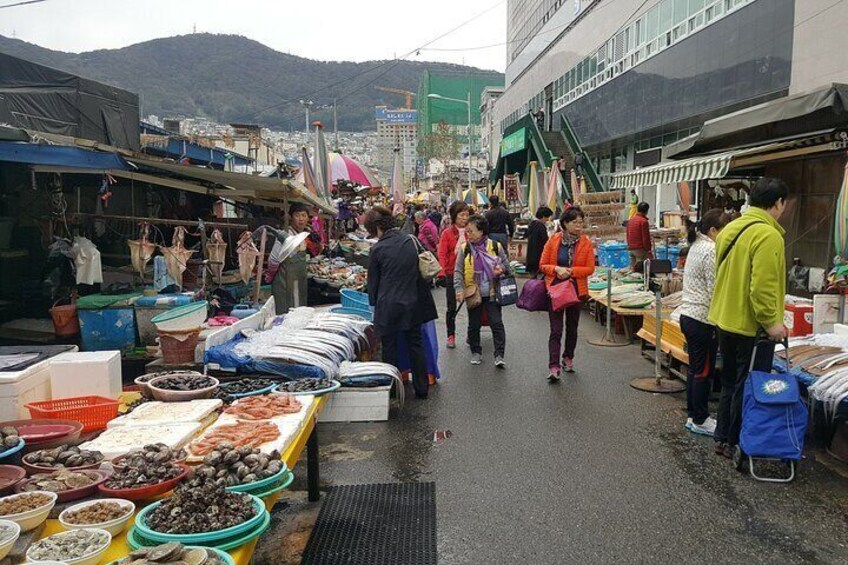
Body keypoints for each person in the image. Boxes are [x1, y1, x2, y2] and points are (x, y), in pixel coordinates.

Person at [709, 177, 788, 459]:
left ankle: (722, 438)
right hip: (749, 326)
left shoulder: (731, 228)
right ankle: (736, 441)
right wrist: (772, 323)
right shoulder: (768, 235)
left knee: (730, 382)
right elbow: (762, 288)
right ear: (778, 203)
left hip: (724, 318)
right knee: (748, 385)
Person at [365, 206, 438, 399]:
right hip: (414, 303)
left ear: (376, 228)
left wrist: (373, 307)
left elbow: (372, 284)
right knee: (415, 344)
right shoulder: (410, 241)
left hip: (388, 306)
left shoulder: (377, 249)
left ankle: (394, 391)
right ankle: (422, 389)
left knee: (390, 348)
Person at [677, 209, 731, 437]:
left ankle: (693, 415)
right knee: (703, 371)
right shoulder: (710, 249)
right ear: (713, 230)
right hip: (701, 318)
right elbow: (714, 288)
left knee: (696, 369)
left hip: (689, 315)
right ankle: (700, 418)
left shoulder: (697, 246)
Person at [539, 207, 595, 381]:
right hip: (555, 289)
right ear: (565, 223)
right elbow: (543, 264)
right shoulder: (554, 240)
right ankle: (553, 366)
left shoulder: (585, 242)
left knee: (572, 327)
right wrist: (556, 269)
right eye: (574, 222)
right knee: (556, 330)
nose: (578, 226)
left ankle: (568, 357)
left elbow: (589, 268)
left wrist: (570, 271)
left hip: (576, 290)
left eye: (580, 222)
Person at [454, 214, 510, 367]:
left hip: (492, 292)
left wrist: (501, 269)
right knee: (474, 324)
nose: (468, 234)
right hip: (473, 292)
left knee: (496, 323)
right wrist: (459, 288)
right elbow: (458, 270)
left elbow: (506, 265)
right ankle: (476, 351)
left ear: (481, 231)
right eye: (467, 231)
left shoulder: (494, 246)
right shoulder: (465, 248)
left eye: (471, 231)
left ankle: (499, 355)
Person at [438, 201, 470, 349]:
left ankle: (472, 334)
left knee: (473, 305)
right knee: (451, 307)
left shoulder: (472, 230)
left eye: (466, 215)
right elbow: (442, 254)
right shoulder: (447, 233)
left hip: (470, 273)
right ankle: (451, 335)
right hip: (452, 273)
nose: (465, 218)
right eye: (461, 215)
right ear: (454, 216)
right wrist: (442, 273)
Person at [526, 206, 554, 275]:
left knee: (533, 277)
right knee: (538, 278)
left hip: (531, 255)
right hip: (538, 255)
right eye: (547, 217)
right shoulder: (541, 226)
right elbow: (545, 241)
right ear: (543, 216)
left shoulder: (532, 224)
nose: (547, 220)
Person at [627, 202, 652, 268]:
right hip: (640, 249)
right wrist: (648, 249)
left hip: (631, 248)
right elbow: (645, 238)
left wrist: (629, 246)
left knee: (632, 270)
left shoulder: (631, 220)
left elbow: (627, 234)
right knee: (642, 269)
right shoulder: (643, 221)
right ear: (646, 211)